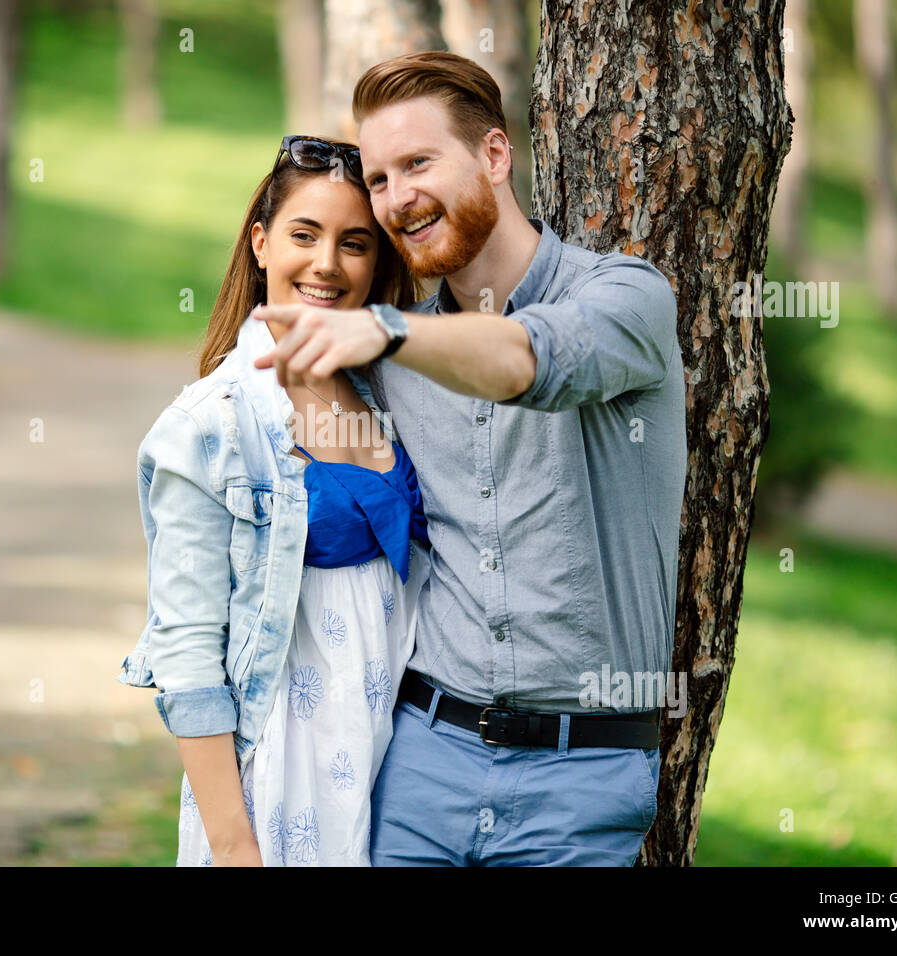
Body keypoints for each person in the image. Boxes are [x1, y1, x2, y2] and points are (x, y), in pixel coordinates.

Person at [252, 51, 686, 866]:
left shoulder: (627, 300)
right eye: (379, 179)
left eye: (419, 163)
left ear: (494, 155)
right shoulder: (381, 361)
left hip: (581, 775)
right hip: (418, 760)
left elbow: (530, 360)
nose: (398, 199)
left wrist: (393, 332)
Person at [118, 135, 431, 866]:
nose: (328, 264)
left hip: (402, 762)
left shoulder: (394, 394)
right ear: (261, 243)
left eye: (355, 243)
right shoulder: (211, 425)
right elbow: (187, 650)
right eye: (305, 234)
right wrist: (234, 845)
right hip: (283, 781)